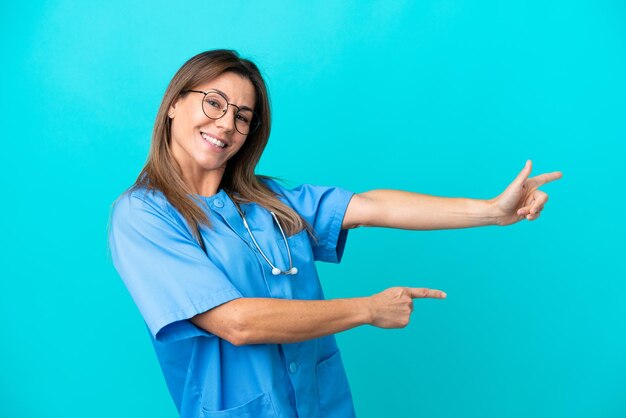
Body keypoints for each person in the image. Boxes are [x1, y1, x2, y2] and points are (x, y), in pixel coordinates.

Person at [108, 49, 562, 418]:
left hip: (321, 404)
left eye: (243, 117)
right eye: (214, 103)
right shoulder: (143, 217)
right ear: (173, 104)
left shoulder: (269, 200)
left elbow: (371, 205)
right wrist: (367, 309)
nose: (227, 123)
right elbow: (236, 322)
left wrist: (492, 212)